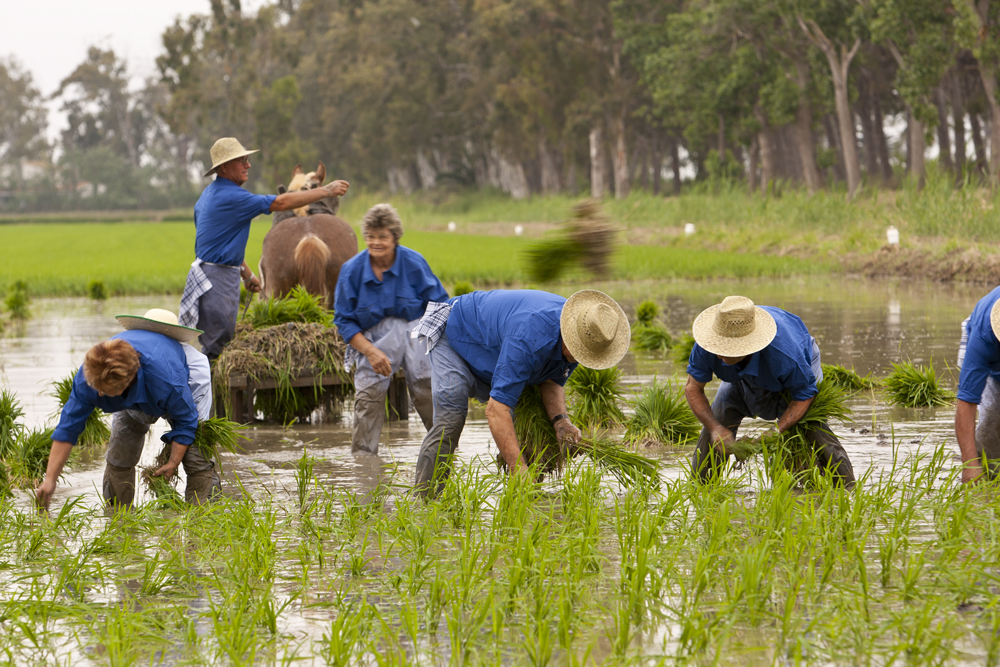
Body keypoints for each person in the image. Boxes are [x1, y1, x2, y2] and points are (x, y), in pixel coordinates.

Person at [412, 289, 630, 496]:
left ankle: (523, 499)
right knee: (451, 418)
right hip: (457, 334)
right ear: (570, 336)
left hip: (496, 349)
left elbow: (551, 380)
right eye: (580, 352)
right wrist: (519, 469)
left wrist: (561, 421)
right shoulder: (530, 337)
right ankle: (425, 498)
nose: (580, 358)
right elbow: (496, 411)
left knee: (524, 421)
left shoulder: (587, 334)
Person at [179, 137, 350, 360]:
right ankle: (212, 394)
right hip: (218, 281)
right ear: (224, 167)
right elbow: (279, 203)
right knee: (217, 348)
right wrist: (325, 191)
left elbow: (218, 244)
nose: (248, 165)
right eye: (242, 161)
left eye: (247, 159)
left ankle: (215, 392)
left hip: (216, 275)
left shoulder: (207, 196)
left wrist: (248, 274)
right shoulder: (232, 196)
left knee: (218, 344)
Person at [35, 309, 219, 510]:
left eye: (105, 391)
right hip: (140, 386)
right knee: (120, 453)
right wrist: (50, 479)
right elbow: (67, 429)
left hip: (177, 382)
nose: (100, 396)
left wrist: (173, 462)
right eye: (98, 389)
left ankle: (203, 517)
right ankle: (119, 518)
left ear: (126, 382)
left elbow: (186, 421)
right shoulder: (90, 379)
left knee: (196, 455)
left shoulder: (168, 381)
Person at [684, 295, 854, 485]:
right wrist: (715, 428)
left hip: (794, 372)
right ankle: (700, 488)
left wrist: (776, 430)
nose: (718, 353)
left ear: (746, 347)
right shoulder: (708, 344)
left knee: (812, 429)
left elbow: (804, 395)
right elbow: (693, 388)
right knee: (717, 418)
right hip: (739, 376)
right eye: (719, 344)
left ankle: (848, 490)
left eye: (727, 348)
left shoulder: (784, 354)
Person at [334, 203, 448, 454]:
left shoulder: (414, 263)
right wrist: (371, 352)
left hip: (417, 335)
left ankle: (443, 453)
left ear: (395, 238)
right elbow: (344, 320)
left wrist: (436, 351)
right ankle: (363, 463)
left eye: (383, 237)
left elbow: (440, 306)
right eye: (371, 237)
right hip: (374, 340)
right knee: (368, 399)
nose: (376, 243)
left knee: (428, 391)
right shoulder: (351, 271)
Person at [954, 286, 1000, 483]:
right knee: (992, 423)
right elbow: (966, 401)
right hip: (991, 361)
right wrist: (970, 467)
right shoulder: (983, 336)